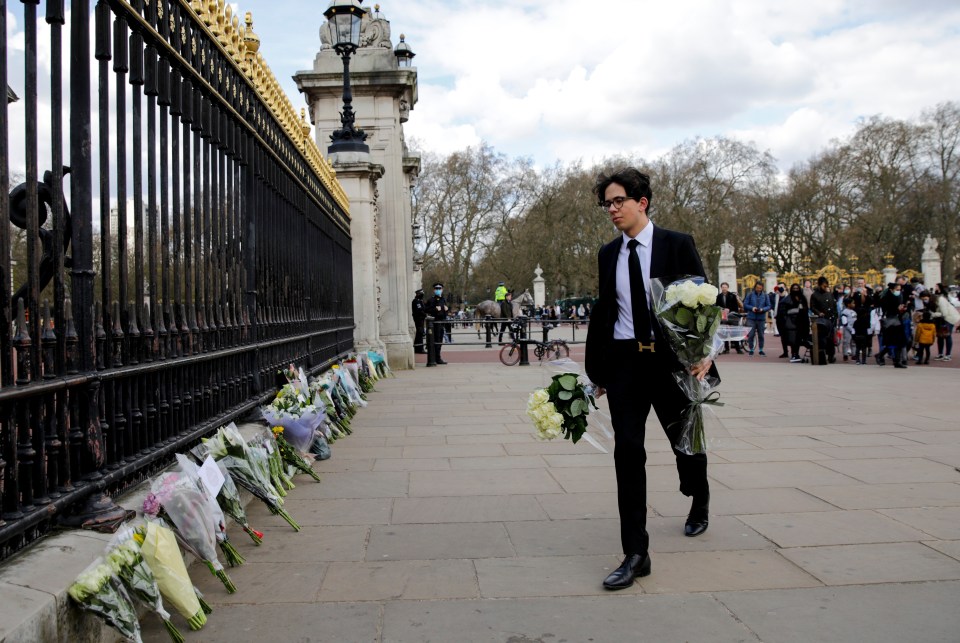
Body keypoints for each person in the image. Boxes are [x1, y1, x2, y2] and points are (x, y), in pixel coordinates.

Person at [584, 168, 717, 591]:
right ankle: (635, 553)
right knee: (627, 454)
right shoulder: (609, 254)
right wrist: (598, 371)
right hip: (625, 363)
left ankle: (698, 494)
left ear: (642, 202)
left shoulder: (677, 245)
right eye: (607, 203)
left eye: (618, 200)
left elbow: (704, 301)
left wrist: (705, 355)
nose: (612, 209)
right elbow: (605, 313)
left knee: (686, 445)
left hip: (670, 362)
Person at [876, 282, 907, 368]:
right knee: (891, 342)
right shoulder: (886, 298)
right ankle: (881, 355)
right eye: (897, 290)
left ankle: (897, 361)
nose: (899, 291)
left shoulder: (899, 297)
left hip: (897, 321)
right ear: (891, 290)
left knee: (900, 341)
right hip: (890, 322)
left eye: (900, 290)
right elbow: (888, 310)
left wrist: (902, 310)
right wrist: (898, 309)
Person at [810, 276, 838, 364]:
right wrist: (818, 313)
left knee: (831, 338)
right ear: (819, 285)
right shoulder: (814, 295)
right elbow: (812, 307)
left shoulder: (829, 294)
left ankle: (831, 355)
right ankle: (822, 354)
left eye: (826, 286)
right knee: (822, 338)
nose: (825, 288)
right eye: (824, 286)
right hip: (821, 320)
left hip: (830, 319)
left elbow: (834, 305)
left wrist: (835, 315)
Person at [743, 281, 771, 356]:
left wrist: (763, 309)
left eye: (760, 288)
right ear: (755, 287)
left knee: (761, 335)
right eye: (757, 288)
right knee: (751, 334)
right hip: (751, 317)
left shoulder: (765, 295)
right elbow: (745, 304)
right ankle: (751, 349)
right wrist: (752, 308)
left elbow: (769, 306)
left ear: (762, 288)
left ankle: (761, 349)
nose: (758, 289)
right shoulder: (750, 294)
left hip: (761, 318)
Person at [784, 284, 810, 363]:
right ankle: (794, 354)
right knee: (793, 339)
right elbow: (786, 311)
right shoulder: (788, 298)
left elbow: (806, 308)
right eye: (794, 288)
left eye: (797, 288)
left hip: (802, 321)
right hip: (792, 322)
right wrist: (798, 310)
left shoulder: (802, 297)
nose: (796, 290)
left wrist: (803, 310)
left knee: (800, 338)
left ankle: (797, 354)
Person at [716, 282, 743, 354]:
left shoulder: (732, 296)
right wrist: (721, 309)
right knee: (724, 332)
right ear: (721, 288)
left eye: (725, 287)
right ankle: (726, 348)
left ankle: (738, 349)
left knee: (734, 332)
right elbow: (716, 306)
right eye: (723, 287)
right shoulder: (718, 296)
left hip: (732, 317)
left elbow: (735, 307)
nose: (724, 288)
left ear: (727, 288)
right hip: (723, 317)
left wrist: (729, 309)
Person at [933, 284, 959, 361]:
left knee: (947, 335)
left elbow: (944, 313)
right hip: (941, 319)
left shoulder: (941, 300)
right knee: (940, 336)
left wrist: (933, 314)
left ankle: (948, 354)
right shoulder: (937, 298)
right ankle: (940, 353)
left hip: (949, 318)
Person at [425, 282, 449, 364]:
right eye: (436, 289)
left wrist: (446, 310)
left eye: (439, 289)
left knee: (440, 341)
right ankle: (434, 358)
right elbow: (426, 310)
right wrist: (435, 309)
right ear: (434, 290)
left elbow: (444, 311)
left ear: (442, 290)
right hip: (434, 323)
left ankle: (438, 357)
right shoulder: (431, 300)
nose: (438, 290)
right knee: (434, 340)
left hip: (441, 322)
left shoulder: (443, 299)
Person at [771, 283, 791, 357]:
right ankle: (785, 352)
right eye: (778, 287)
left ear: (785, 288)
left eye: (781, 287)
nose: (780, 289)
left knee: (789, 335)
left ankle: (793, 351)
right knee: (782, 336)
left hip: (788, 319)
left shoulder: (788, 297)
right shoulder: (776, 297)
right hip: (779, 318)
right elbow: (772, 305)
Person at [411, 288, 427, 354]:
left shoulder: (420, 301)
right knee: (420, 333)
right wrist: (426, 315)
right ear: (418, 294)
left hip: (421, 318)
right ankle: (420, 349)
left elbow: (424, 308)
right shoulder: (416, 301)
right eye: (421, 294)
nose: (422, 295)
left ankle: (417, 347)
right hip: (418, 318)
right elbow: (420, 310)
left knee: (419, 333)